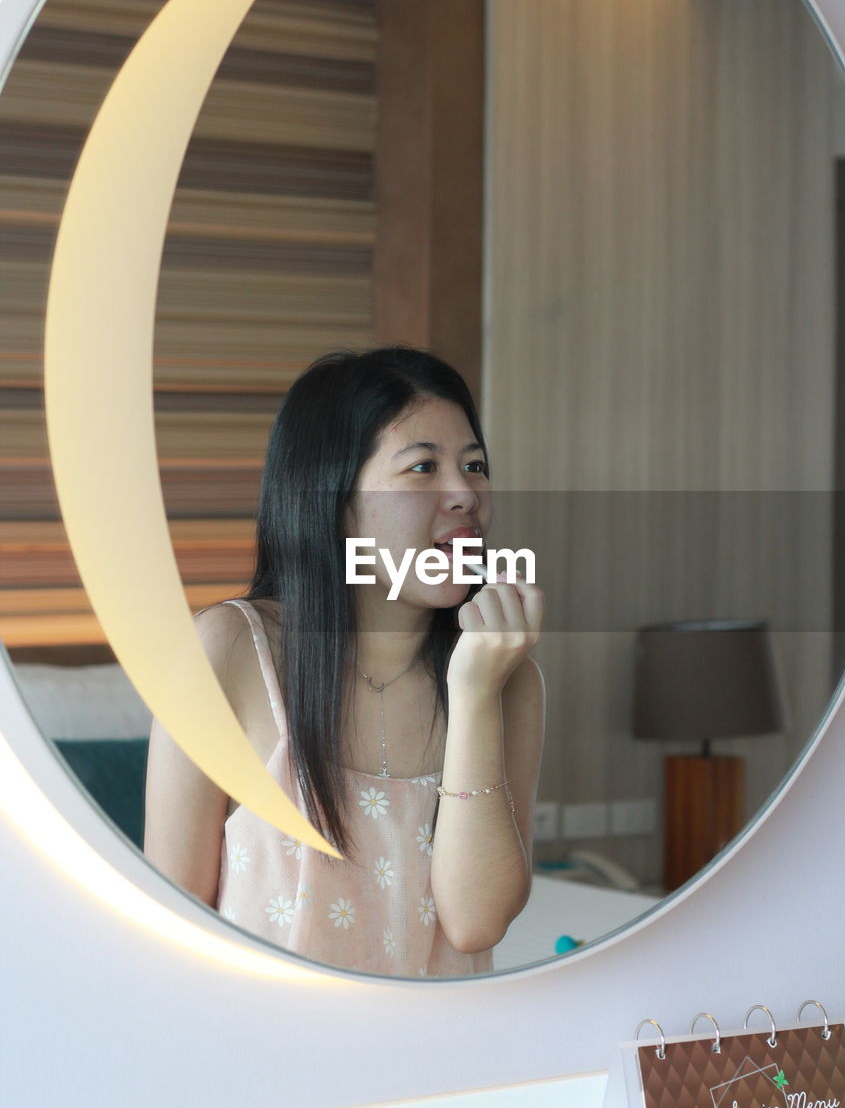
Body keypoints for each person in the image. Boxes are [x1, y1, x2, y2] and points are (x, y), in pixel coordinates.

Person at [144, 346, 545, 977]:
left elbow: (475, 923)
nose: (465, 495)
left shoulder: (505, 679)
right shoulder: (228, 653)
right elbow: (169, 926)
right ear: (335, 501)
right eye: (422, 468)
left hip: (443, 1066)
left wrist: (473, 695)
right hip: (263, 1058)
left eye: (475, 465)